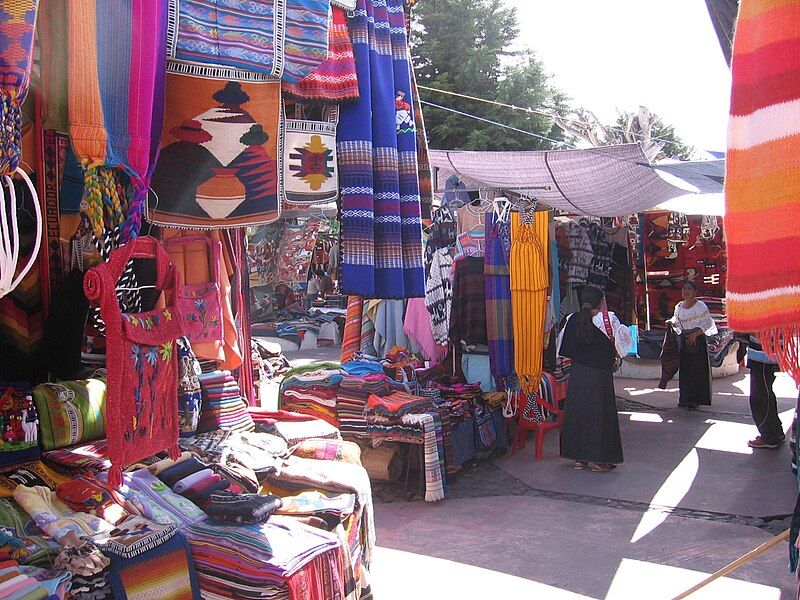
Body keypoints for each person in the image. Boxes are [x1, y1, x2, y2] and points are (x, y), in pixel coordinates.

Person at [558, 285, 632, 472]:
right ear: (601, 301)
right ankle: (600, 461)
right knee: (600, 415)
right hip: (599, 376)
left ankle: (579, 459)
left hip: (578, 375)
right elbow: (623, 347)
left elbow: (562, 348)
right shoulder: (609, 319)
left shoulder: (571, 319)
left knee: (578, 414)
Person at [669, 281, 717, 410]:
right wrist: (671, 322)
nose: (686, 291)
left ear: (695, 292)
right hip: (685, 340)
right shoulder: (679, 306)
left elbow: (707, 323)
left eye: (689, 289)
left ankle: (695, 400)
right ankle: (685, 399)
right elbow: (676, 320)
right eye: (684, 289)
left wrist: (696, 334)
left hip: (697, 340)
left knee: (697, 370)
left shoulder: (700, 306)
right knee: (685, 370)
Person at [746, 336, 785, 449]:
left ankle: (769, 435)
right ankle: (775, 431)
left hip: (764, 354)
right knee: (765, 393)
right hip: (764, 352)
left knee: (760, 396)